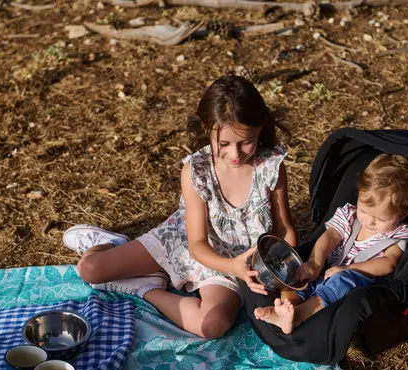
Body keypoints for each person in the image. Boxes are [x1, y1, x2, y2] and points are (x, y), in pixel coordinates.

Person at [62, 75, 298, 339]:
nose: (236, 154)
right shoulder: (196, 171)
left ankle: (147, 289)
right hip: (185, 244)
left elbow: (283, 228)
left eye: (246, 141)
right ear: (206, 130)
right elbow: (196, 244)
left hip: (235, 262)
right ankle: (109, 242)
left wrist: (282, 272)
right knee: (90, 270)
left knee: (211, 325)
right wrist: (232, 266)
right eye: (225, 143)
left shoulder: (270, 167)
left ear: (259, 129)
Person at [254, 153, 408, 334]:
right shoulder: (350, 215)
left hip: (358, 281)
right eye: (364, 210)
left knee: (340, 282)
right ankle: (286, 307)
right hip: (329, 269)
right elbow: (330, 236)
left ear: (404, 214)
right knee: (304, 275)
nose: (369, 222)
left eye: (380, 218)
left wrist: (348, 270)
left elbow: (389, 262)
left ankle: (299, 315)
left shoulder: (399, 234)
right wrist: (315, 263)